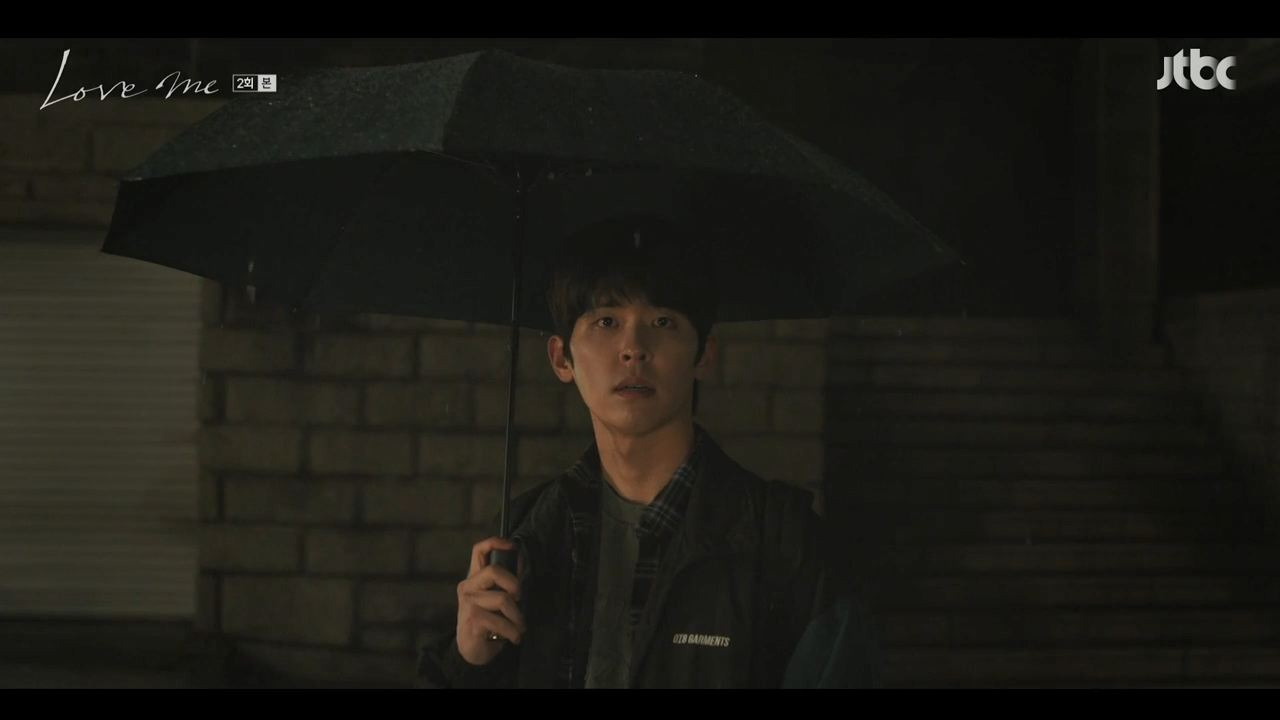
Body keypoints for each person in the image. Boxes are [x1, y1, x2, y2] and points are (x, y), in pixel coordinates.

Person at [417, 215, 881, 688]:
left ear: (703, 354)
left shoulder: (783, 543)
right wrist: (469, 662)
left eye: (662, 322)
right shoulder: (525, 536)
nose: (633, 349)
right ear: (561, 358)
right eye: (606, 321)